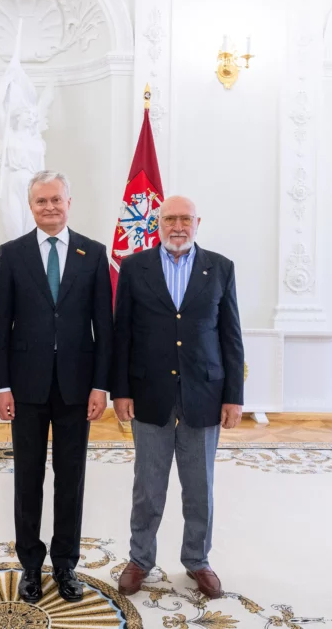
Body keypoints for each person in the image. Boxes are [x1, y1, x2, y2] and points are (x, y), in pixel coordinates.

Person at [111, 195, 244, 600]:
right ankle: (139, 559)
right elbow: (123, 335)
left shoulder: (220, 267)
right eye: (170, 218)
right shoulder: (135, 268)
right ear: (158, 223)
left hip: (204, 392)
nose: (178, 226)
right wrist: (121, 391)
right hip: (149, 393)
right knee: (148, 486)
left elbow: (230, 335)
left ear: (197, 222)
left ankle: (197, 561)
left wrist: (233, 396)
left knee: (199, 486)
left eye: (185, 218)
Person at [0, 170, 113, 603]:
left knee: (71, 479)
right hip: (25, 388)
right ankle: (29, 565)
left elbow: (106, 327)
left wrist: (102, 386)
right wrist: (0, 386)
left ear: (69, 202)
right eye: (41, 201)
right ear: (31, 206)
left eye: (56, 200)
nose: (49, 207)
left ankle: (65, 565)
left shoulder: (93, 254)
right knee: (28, 478)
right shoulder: (12, 253)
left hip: (78, 388)